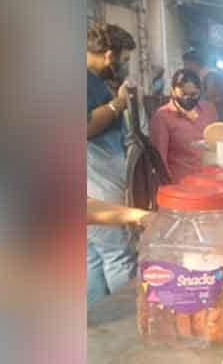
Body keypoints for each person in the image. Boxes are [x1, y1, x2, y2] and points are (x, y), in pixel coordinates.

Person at [86, 23, 138, 307]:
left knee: (93, 256)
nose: (124, 65)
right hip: (97, 184)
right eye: (124, 59)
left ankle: (94, 325)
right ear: (109, 55)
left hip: (93, 183)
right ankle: (127, 321)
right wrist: (118, 104)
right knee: (117, 254)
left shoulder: (92, 81)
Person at [149, 69, 218, 183]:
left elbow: (217, 143)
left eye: (193, 94)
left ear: (200, 92)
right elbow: (159, 162)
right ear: (173, 91)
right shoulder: (162, 117)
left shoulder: (209, 110)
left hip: (211, 182)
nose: (188, 98)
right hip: (181, 186)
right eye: (183, 94)